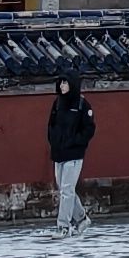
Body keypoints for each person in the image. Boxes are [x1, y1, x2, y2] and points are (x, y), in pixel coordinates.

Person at [45, 76, 95, 231]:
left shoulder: (82, 104)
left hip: (74, 154)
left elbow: (89, 129)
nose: (62, 85)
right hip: (58, 152)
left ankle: (63, 226)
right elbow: (51, 124)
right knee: (64, 189)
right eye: (61, 82)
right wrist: (54, 141)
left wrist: (75, 141)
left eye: (65, 82)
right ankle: (81, 218)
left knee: (67, 190)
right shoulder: (57, 103)